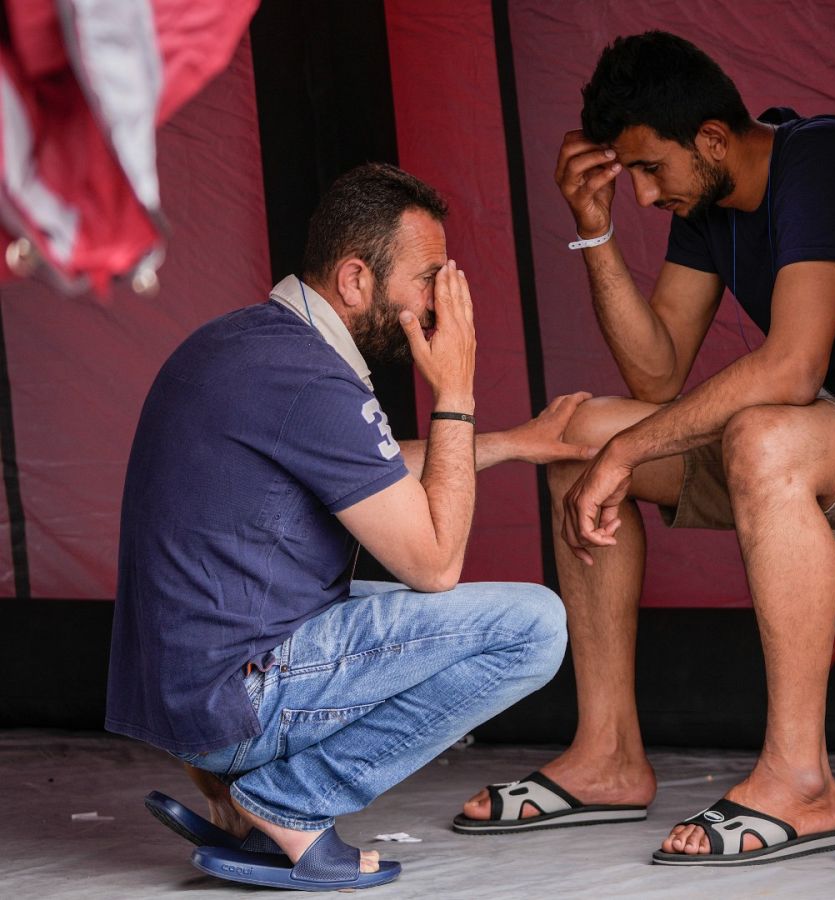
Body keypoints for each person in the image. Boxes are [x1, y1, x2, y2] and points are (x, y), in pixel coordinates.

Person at [453, 32, 835, 866]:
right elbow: (657, 376)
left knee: (758, 435)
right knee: (583, 441)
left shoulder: (822, 160)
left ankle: (801, 781)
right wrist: (595, 233)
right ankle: (607, 756)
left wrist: (631, 452)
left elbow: (793, 366)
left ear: (714, 140)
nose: (647, 193)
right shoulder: (709, 205)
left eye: (651, 169)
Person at [107, 164, 592, 890]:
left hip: (187, 698)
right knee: (534, 626)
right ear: (357, 280)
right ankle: (290, 802)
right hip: (236, 697)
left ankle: (243, 806)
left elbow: (371, 463)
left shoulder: (243, 345)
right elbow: (434, 563)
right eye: (427, 279)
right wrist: (456, 387)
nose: (438, 303)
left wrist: (517, 441)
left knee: (418, 611)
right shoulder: (310, 378)